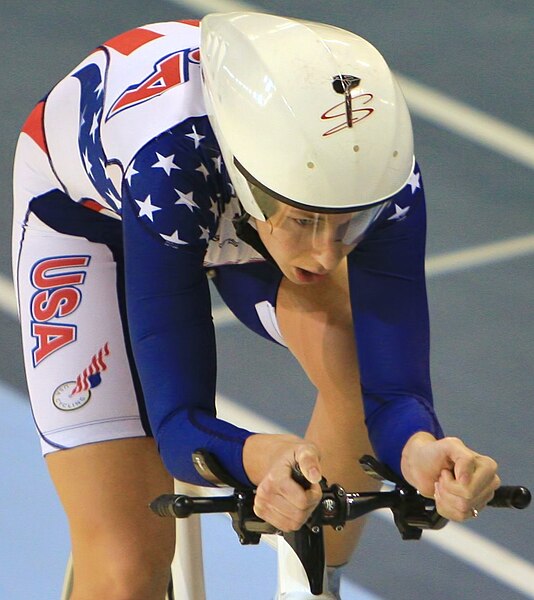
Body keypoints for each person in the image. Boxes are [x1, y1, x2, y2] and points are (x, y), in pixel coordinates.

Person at [12, 11, 500, 600]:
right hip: (86, 219)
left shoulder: (382, 180)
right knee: (125, 568)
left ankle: (312, 578)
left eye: (350, 227)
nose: (324, 256)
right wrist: (255, 456)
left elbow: (393, 392)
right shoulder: (169, 172)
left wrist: (424, 450)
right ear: (250, 185)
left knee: (350, 348)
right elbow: (178, 424)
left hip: (240, 210)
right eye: (307, 223)